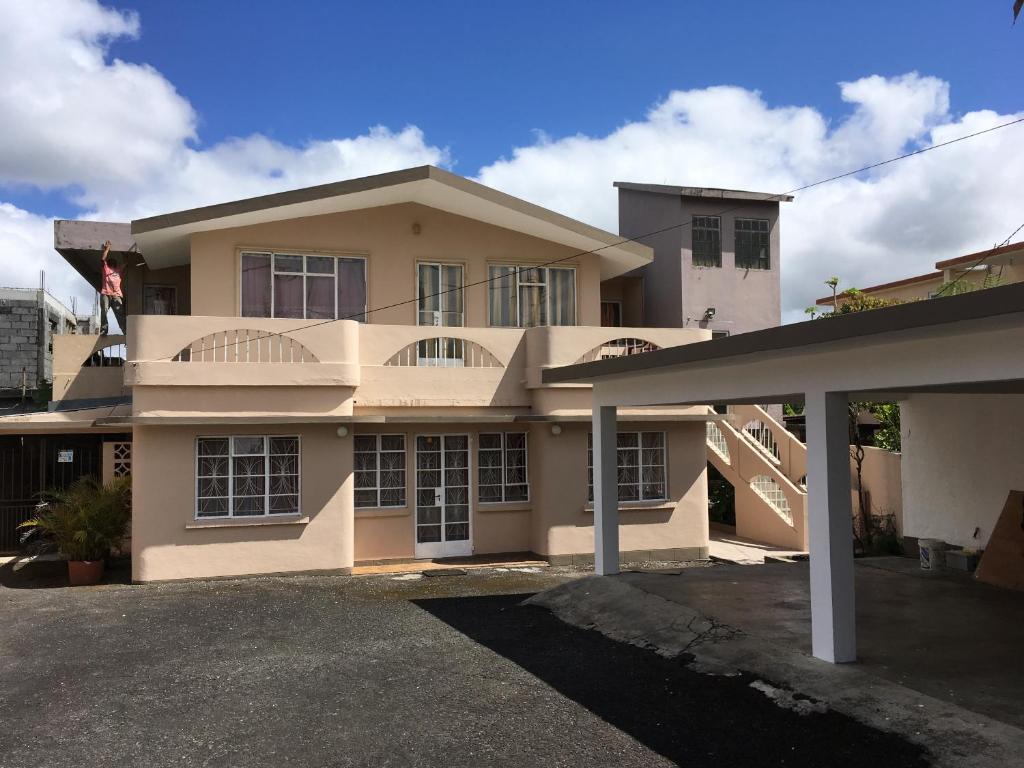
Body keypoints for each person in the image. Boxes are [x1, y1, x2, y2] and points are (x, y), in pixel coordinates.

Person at [99, 240, 127, 336]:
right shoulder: (106, 269)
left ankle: (126, 332)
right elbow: (103, 260)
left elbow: (126, 263)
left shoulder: (118, 270)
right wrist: (107, 250)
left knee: (120, 314)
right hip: (106, 293)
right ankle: (104, 330)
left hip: (116, 295)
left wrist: (125, 250)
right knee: (104, 310)